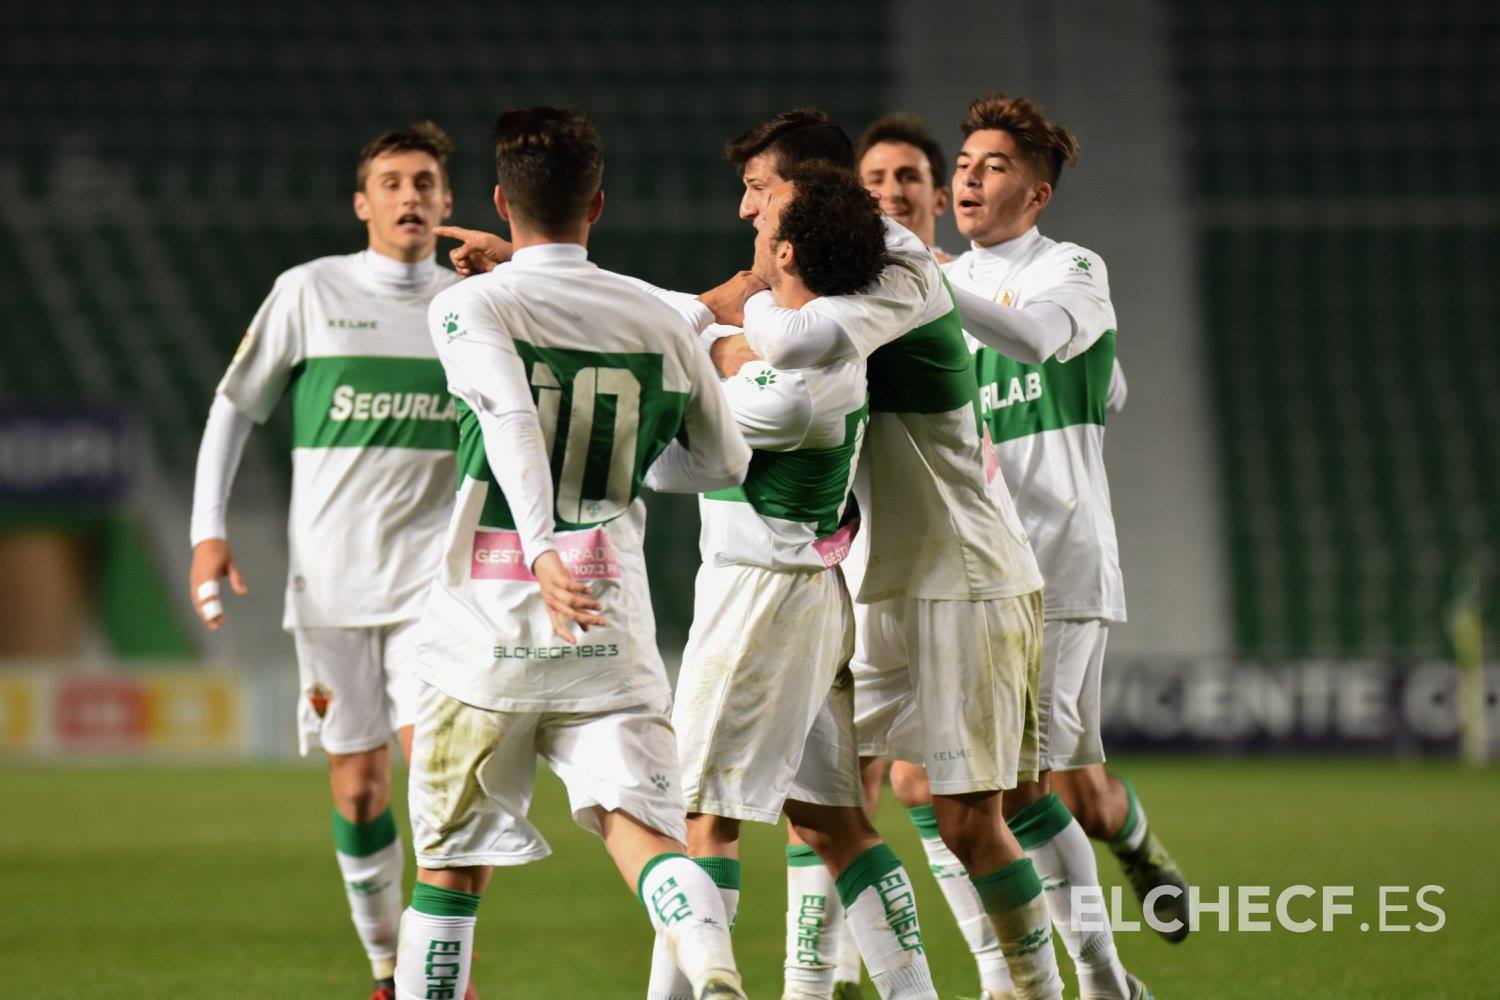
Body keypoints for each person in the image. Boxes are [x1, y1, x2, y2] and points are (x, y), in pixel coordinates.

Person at [393, 106, 752, 1000]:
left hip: (487, 623)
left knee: (448, 872)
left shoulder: (470, 303)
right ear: (596, 204)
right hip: (609, 620)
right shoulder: (657, 320)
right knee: (645, 837)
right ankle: (708, 959)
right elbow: (720, 462)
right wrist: (629, 470)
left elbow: (511, 413)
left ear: (498, 203)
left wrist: (542, 541)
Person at [719, 109, 1065, 1000]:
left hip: (963, 576)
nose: (748, 211)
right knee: (819, 799)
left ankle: (1041, 989)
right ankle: (814, 986)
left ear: (804, 189)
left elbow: (790, 338)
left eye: (760, 191)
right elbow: (707, 311)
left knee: (968, 823)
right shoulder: (813, 267)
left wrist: (729, 322)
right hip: (875, 584)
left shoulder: (901, 264)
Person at [645, 164, 940, 1000]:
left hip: (758, 604)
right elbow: (694, 328)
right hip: (806, 599)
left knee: (698, 817)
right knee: (832, 822)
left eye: (763, 214)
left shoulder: (791, 387)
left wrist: (709, 341)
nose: (749, 221)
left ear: (788, 250)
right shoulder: (830, 347)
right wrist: (718, 340)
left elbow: (670, 466)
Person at [186, 122, 466, 1000]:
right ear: (363, 203)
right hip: (333, 583)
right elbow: (236, 407)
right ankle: (388, 970)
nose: (410, 195)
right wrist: (208, 527)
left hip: (437, 589)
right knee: (358, 788)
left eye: (424, 181)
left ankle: (440, 977)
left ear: (448, 202)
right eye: (392, 182)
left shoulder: (470, 305)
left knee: (438, 784)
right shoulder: (309, 293)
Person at [946, 92, 1190, 996]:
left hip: (1056, 567)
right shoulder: (945, 290)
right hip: (973, 573)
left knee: (1019, 793)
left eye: (994, 165)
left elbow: (1041, 338)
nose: (970, 176)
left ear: (1038, 193)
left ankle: (1102, 979)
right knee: (988, 791)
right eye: (964, 163)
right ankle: (1097, 975)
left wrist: (930, 282)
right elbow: (1110, 387)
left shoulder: (1072, 268)